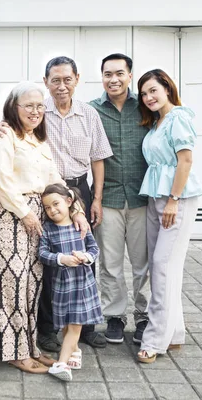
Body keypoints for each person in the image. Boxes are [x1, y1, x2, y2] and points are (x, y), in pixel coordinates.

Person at [0, 56, 113, 351]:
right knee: (45, 265)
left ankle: (83, 327)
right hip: (37, 200)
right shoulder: (24, 122)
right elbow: (1, 168)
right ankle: (44, 332)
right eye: (55, 80)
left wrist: (84, 204)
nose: (61, 86)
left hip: (71, 190)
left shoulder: (83, 116)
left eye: (67, 79)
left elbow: (95, 159)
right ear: (46, 83)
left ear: (77, 80)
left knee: (78, 260)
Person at [0, 81, 87, 373]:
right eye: (29, 105)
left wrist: (75, 207)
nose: (35, 111)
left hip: (36, 215)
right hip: (11, 214)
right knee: (12, 284)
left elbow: (54, 179)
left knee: (32, 284)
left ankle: (29, 347)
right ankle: (14, 352)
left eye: (40, 105)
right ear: (14, 108)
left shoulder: (38, 139)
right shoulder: (4, 134)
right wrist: (25, 213)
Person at [135, 69, 202, 364]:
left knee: (163, 267)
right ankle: (174, 333)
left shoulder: (178, 117)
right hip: (155, 198)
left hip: (175, 199)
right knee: (163, 267)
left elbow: (185, 160)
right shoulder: (157, 121)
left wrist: (174, 200)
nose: (148, 97)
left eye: (153, 90)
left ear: (167, 88)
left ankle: (154, 340)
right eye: (143, 93)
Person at [89, 53, 151, 345]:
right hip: (109, 197)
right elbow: (53, 113)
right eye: (107, 74)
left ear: (129, 76)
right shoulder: (91, 110)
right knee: (110, 263)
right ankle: (114, 317)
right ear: (101, 77)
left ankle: (144, 316)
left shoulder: (146, 106)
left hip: (143, 197)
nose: (113, 79)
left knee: (143, 263)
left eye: (119, 73)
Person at [39, 184, 102, 381]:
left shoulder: (80, 226)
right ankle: (75, 352)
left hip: (82, 286)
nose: (52, 210)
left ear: (68, 202)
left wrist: (85, 257)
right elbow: (42, 253)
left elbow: (94, 249)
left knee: (75, 326)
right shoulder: (48, 229)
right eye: (47, 207)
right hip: (61, 286)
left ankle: (62, 363)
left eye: (56, 204)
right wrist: (61, 259)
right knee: (67, 325)